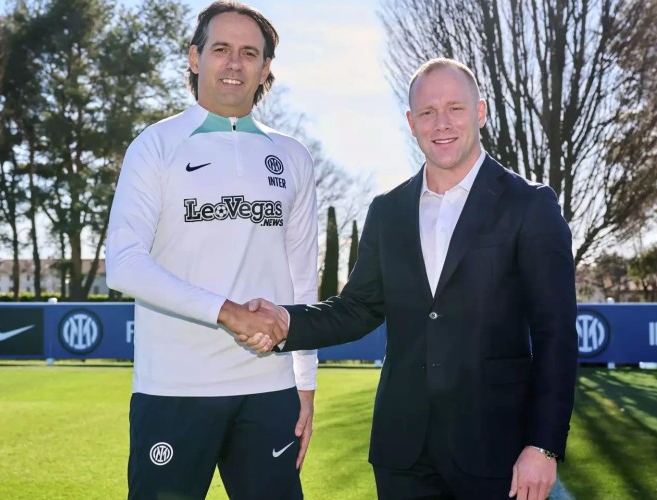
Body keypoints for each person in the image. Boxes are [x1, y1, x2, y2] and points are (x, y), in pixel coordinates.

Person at [242, 58, 578, 499]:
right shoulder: (388, 210)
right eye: (427, 112)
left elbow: (556, 334)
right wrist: (287, 322)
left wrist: (544, 445)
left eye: (455, 108)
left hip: (497, 449)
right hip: (402, 452)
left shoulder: (530, 205)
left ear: (480, 112)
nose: (442, 123)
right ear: (411, 122)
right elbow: (358, 308)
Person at [105, 2, 318, 498]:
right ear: (195, 57)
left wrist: (305, 383)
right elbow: (124, 264)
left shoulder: (292, 156)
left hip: (269, 389)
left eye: (250, 53)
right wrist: (228, 312)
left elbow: (302, 277)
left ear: (265, 68)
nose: (234, 63)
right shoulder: (155, 145)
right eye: (221, 49)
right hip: (174, 388)